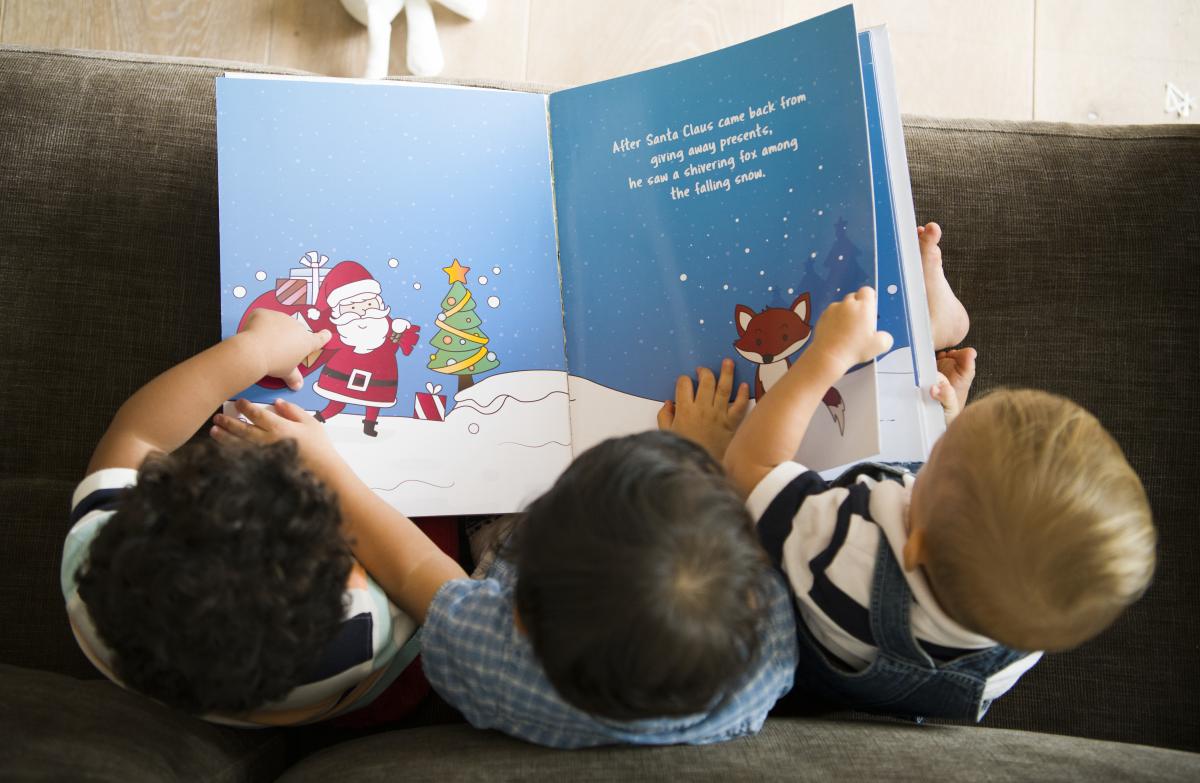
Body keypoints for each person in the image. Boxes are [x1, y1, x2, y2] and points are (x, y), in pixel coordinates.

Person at [211, 364, 798, 748]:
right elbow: (716, 556)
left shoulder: (493, 657)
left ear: (514, 611)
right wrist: (698, 457)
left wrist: (320, 464)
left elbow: (415, 567)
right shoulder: (769, 649)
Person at [720, 226, 1157, 721]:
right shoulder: (1015, 645)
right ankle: (924, 333)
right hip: (886, 662)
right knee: (951, 476)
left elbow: (752, 465)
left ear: (916, 546)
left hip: (808, 593)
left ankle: (918, 329)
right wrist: (946, 424)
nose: (941, 447)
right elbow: (974, 515)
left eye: (944, 450)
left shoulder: (852, 543)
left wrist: (826, 357)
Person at [63, 310, 445, 726]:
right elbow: (422, 578)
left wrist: (255, 350)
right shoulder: (356, 625)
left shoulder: (96, 555)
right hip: (361, 685)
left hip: (205, 680)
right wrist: (331, 473)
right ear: (343, 570)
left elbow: (139, 434)